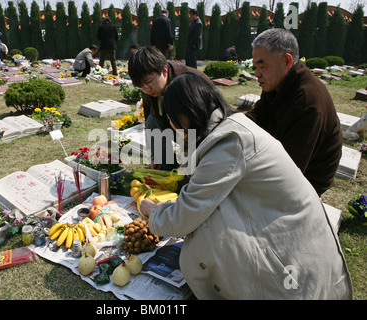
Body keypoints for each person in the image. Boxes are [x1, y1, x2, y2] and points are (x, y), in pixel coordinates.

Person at [140, 73, 353, 300]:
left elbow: (185, 217)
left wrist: (155, 213)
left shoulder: (228, 144)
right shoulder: (228, 129)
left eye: (173, 119)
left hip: (293, 269)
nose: (171, 126)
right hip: (296, 245)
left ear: (187, 113)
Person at [246, 28, 343, 196]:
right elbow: (257, 116)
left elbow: (289, 170)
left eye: (262, 66)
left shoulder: (307, 102)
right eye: (255, 67)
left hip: (306, 183)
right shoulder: (277, 82)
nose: (257, 74)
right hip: (281, 155)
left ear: (286, 61)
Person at [128, 46, 213, 170]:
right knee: (152, 121)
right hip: (177, 127)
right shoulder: (149, 88)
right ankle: (167, 168)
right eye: (141, 86)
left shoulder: (187, 83)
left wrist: (188, 159)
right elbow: (148, 122)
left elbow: (195, 127)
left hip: (204, 131)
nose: (147, 90)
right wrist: (154, 155)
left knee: (190, 174)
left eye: (149, 82)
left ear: (164, 71)